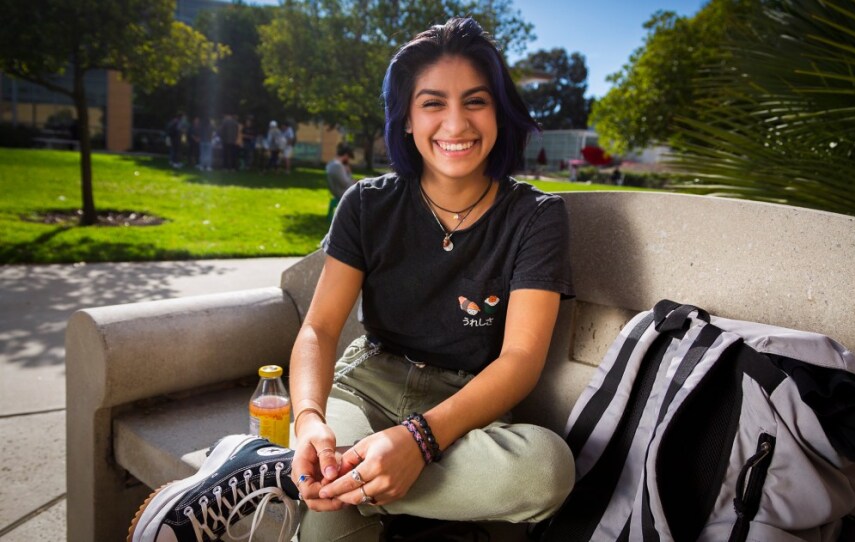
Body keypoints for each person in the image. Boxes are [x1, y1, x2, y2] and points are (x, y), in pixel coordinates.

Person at [127, 17, 575, 542]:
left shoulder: (537, 216)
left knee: (545, 471)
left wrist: (419, 442)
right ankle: (292, 467)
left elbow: (520, 361)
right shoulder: (367, 204)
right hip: (365, 389)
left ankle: (297, 473)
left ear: (499, 111)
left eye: (476, 101)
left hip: (466, 413)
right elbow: (318, 329)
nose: (456, 124)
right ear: (407, 119)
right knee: (328, 523)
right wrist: (311, 423)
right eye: (433, 103)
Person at [326, 143, 355, 220]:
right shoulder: (338, 166)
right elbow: (344, 184)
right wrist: (350, 175)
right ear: (346, 156)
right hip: (341, 192)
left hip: (336, 190)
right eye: (348, 158)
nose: (348, 160)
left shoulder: (332, 163)